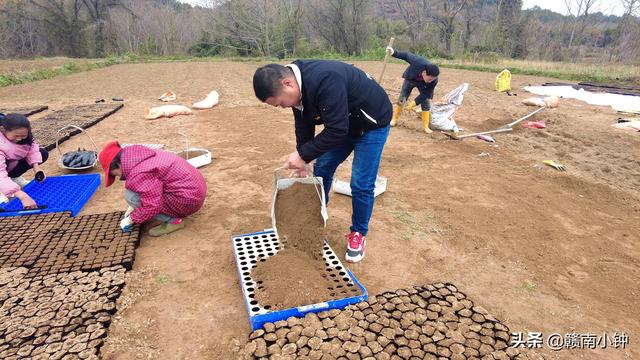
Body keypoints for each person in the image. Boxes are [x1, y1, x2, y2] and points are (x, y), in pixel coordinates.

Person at [253, 61, 392, 263]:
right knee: (323, 168)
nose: (283, 107)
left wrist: (301, 155)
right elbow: (303, 123)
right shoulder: (297, 88)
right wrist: (304, 159)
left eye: (281, 103)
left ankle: (359, 234)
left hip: (372, 124)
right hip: (344, 122)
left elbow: (336, 130)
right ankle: (314, 218)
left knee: (361, 183)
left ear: (288, 84)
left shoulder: (326, 78)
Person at [98, 141, 207, 237]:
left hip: (189, 200)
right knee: (136, 194)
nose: (118, 177)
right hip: (195, 188)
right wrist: (133, 208)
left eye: (115, 174)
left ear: (117, 165)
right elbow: (151, 187)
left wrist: (131, 219)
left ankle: (174, 221)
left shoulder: (139, 172)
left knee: (131, 197)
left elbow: (152, 205)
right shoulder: (140, 155)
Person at [386, 46, 440, 133]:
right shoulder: (418, 62)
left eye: (433, 79)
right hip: (411, 79)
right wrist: (394, 52)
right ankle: (394, 119)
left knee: (425, 101)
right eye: (430, 79)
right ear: (424, 72)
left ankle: (426, 126)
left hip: (422, 85)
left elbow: (426, 94)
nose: (431, 81)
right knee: (402, 97)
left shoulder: (433, 80)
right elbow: (406, 55)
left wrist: (413, 103)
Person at [0, 113, 48, 208]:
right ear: (3, 129)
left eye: (23, 136)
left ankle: (13, 179)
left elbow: (32, 149)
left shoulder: (24, 133)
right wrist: (22, 196)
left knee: (42, 153)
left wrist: (37, 169)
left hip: (9, 164)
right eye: (17, 136)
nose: (20, 139)